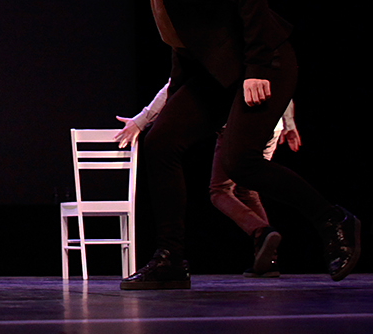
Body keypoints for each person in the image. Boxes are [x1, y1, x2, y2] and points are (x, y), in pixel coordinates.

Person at [94, 0, 358, 289]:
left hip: (266, 62)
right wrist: (167, 106)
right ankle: (170, 259)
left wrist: (257, 67)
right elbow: (185, 41)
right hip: (219, 72)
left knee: (241, 163)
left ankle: (334, 220)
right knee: (161, 143)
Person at [117, 85, 300, 276]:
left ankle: (261, 232)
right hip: (272, 125)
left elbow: (174, 85)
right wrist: (289, 123)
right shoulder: (262, 65)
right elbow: (280, 83)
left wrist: (141, 121)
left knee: (220, 190)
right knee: (247, 188)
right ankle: (267, 261)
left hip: (239, 125)